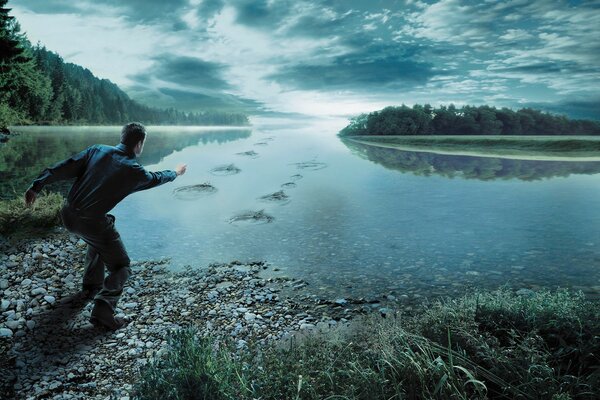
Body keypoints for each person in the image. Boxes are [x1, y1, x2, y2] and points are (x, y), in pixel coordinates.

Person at [24, 122, 187, 330]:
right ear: (139, 144)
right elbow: (156, 178)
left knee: (105, 230)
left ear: (122, 137)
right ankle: (103, 310)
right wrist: (176, 172)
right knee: (122, 266)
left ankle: (91, 285)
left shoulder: (97, 150)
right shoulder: (134, 170)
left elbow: (65, 166)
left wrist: (37, 185)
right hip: (90, 223)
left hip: (67, 214)